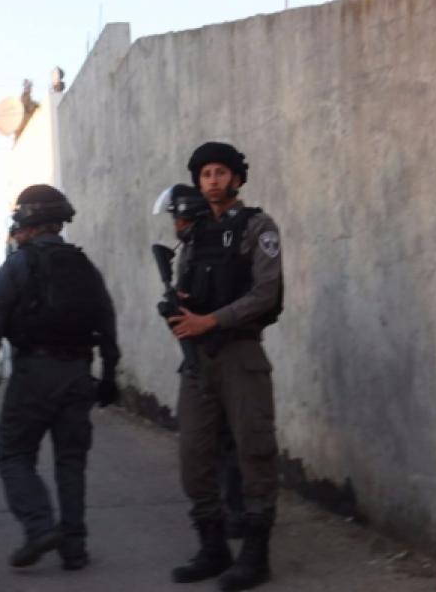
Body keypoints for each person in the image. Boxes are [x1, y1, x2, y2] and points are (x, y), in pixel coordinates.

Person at [0, 184, 120, 571]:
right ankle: (74, 547)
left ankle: (40, 526)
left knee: (14, 454)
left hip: (33, 374)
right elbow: (107, 319)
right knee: (70, 462)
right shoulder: (83, 265)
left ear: (27, 222)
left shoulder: (19, 264)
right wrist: (109, 373)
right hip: (78, 374)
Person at [167, 142, 283, 591]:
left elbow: (265, 293)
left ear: (235, 178)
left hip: (240, 353)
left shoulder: (258, 226)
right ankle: (213, 547)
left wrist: (211, 320)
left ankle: (256, 556)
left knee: (254, 452)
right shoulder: (194, 236)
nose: (212, 180)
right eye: (205, 174)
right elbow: (185, 288)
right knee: (193, 457)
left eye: (220, 172)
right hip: (199, 359)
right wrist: (179, 308)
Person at [156, 183, 247, 540]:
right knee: (209, 440)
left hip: (222, 352)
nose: (175, 226)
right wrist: (176, 307)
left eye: (178, 218)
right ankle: (223, 511)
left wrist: (193, 311)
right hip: (201, 353)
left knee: (227, 438)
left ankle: (235, 511)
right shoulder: (192, 250)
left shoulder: (217, 246)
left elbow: (225, 302)